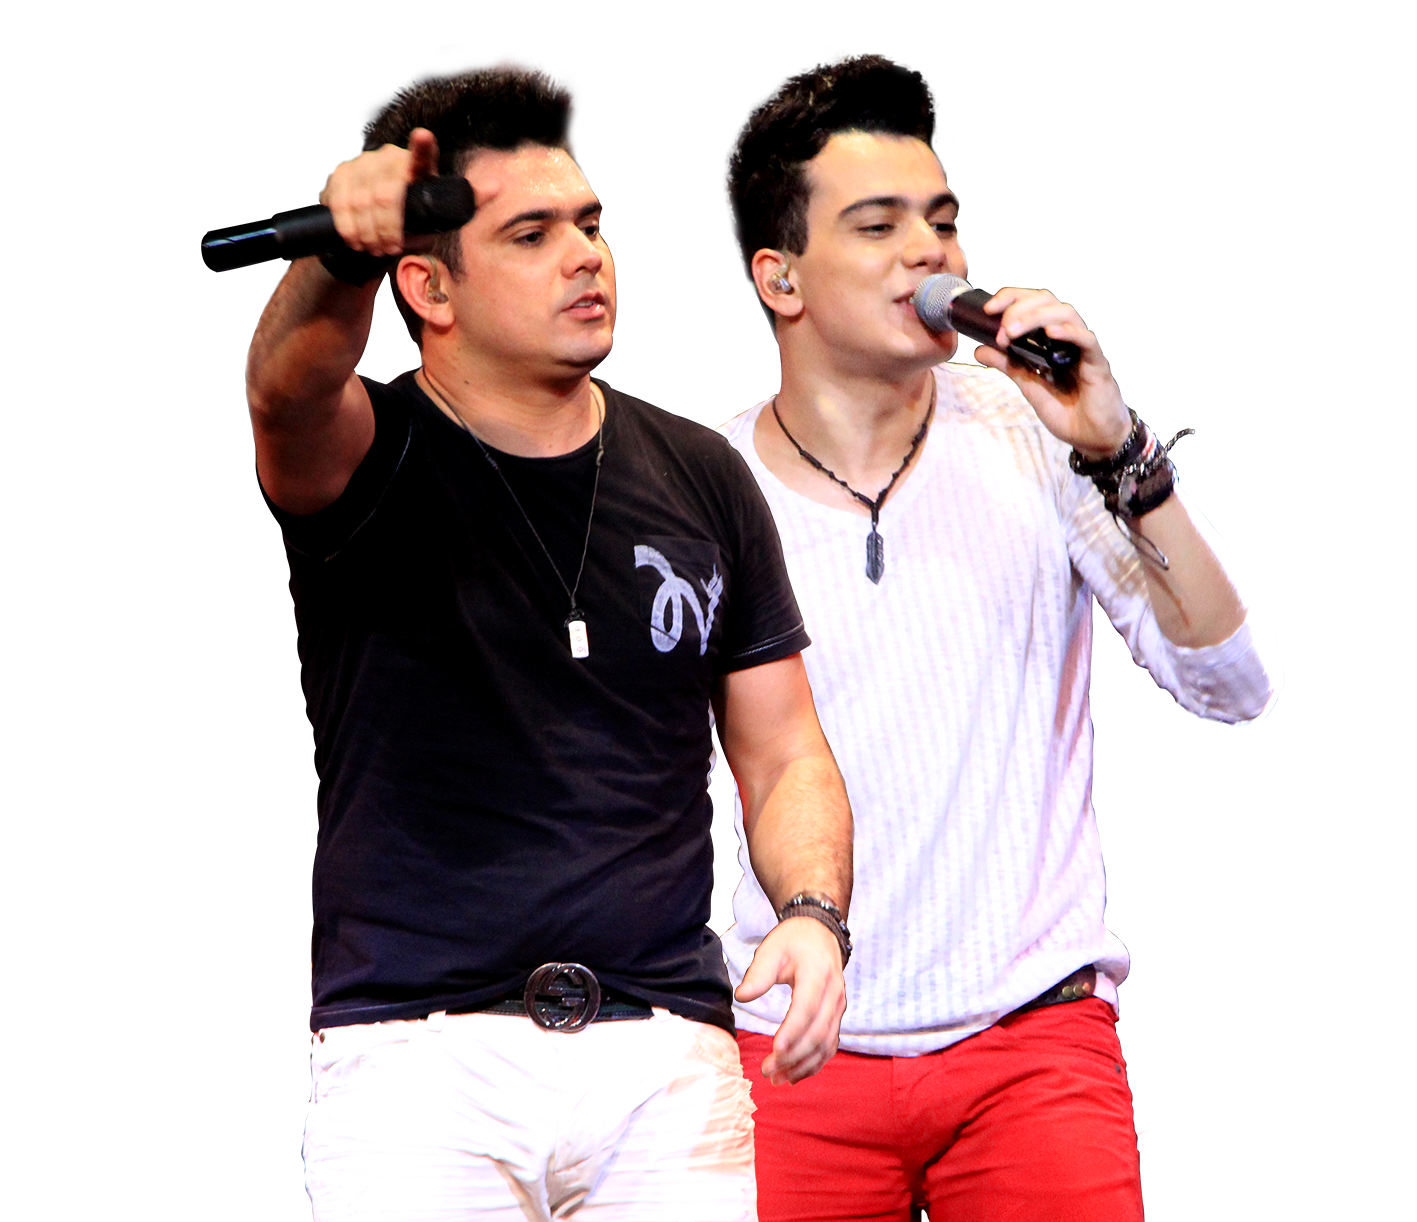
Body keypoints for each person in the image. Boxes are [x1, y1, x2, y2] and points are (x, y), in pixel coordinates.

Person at [246, 60, 853, 1222]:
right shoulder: (365, 455)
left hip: (666, 1057)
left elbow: (784, 753)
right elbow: (286, 388)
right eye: (532, 235)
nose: (586, 256)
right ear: (426, 284)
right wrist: (337, 252)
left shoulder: (704, 475)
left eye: (589, 224)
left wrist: (814, 913)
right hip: (418, 1063)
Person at [718, 48, 1283, 1222]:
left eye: (939, 222)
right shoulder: (703, 491)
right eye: (878, 225)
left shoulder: (1033, 436)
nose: (930, 254)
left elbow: (1235, 684)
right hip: (784, 1041)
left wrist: (1118, 448)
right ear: (780, 277)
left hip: (1032, 1038)